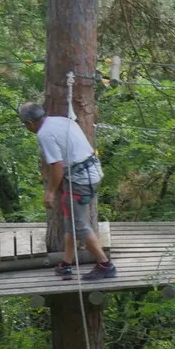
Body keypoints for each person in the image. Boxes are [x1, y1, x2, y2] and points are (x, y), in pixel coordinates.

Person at [17, 103, 117, 280]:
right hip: (91, 172)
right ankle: (67, 263)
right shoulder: (62, 121)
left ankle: (105, 265)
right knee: (72, 220)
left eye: (25, 124)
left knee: (79, 225)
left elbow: (57, 167)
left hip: (80, 181)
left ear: (31, 122)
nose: (26, 128)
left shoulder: (44, 134)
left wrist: (49, 192)